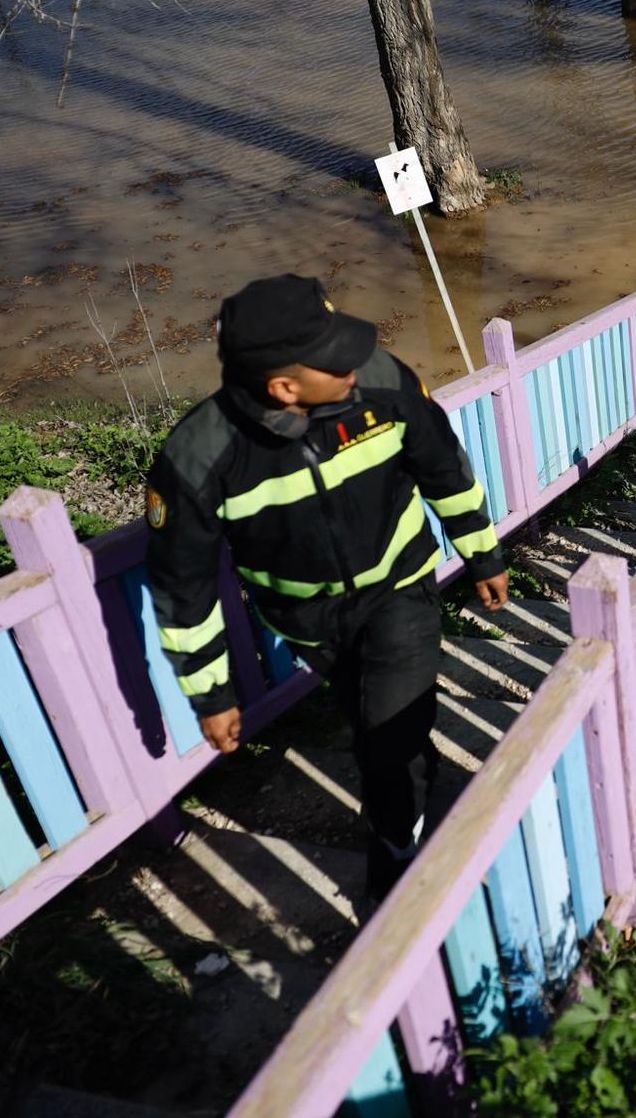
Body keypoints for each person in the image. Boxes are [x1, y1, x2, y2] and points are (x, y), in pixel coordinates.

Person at [142, 274, 508, 902]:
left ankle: (399, 858)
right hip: (308, 624)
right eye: (333, 358)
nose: (353, 365)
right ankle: (414, 789)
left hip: (402, 588)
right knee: (380, 728)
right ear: (283, 387)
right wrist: (211, 694)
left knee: (388, 741)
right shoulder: (198, 458)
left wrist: (482, 551)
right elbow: (185, 586)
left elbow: (442, 465)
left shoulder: (383, 384)